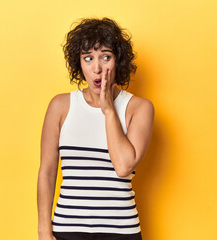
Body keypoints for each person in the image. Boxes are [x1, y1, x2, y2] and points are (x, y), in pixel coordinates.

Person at [37, 17, 155, 240]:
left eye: (106, 57)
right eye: (88, 58)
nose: (98, 68)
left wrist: (109, 111)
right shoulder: (60, 106)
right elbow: (47, 170)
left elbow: (123, 167)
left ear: (117, 61)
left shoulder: (139, 108)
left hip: (121, 231)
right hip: (67, 230)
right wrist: (44, 229)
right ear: (79, 63)